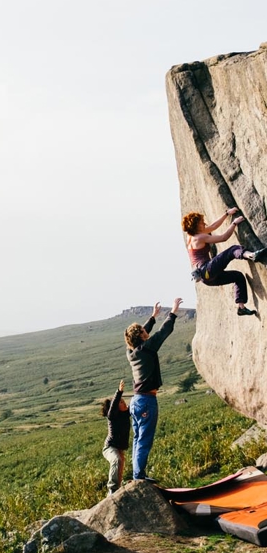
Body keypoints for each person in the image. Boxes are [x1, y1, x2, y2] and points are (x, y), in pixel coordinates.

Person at [125, 298, 182, 481]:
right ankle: (139, 476)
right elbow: (163, 332)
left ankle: (137, 475)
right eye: (143, 332)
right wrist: (173, 312)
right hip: (147, 402)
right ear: (141, 337)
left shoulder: (131, 352)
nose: (146, 332)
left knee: (137, 439)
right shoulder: (147, 348)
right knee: (144, 440)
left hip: (135, 401)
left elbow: (141, 334)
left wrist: (152, 317)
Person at [181, 208, 267, 316]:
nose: (204, 223)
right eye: (201, 222)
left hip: (206, 279)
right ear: (196, 225)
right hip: (207, 269)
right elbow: (223, 238)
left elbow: (213, 227)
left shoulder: (192, 236)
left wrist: (226, 213)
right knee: (232, 250)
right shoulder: (200, 237)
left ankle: (241, 307)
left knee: (238, 276)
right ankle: (251, 255)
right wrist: (234, 223)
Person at [101, 379, 130, 495]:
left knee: (120, 466)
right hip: (110, 447)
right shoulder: (112, 416)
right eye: (121, 402)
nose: (125, 403)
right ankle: (112, 489)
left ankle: (117, 488)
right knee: (116, 460)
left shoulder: (126, 414)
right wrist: (119, 392)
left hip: (119, 448)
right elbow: (113, 407)